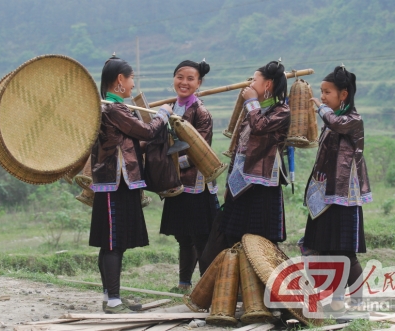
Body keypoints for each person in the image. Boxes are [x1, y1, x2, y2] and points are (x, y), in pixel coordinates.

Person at [89, 55, 173, 314]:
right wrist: (163, 114)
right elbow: (147, 132)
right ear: (119, 81)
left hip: (114, 182)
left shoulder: (111, 109)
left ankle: (110, 296)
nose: (133, 84)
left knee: (111, 241)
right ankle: (113, 300)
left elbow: (133, 141)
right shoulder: (114, 109)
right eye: (131, 77)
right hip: (118, 181)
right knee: (114, 242)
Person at [302, 65, 372, 315]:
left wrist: (320, 109)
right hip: (325, 193)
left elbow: (335, 122)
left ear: (343, 95)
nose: (322, 97)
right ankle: (336, 299)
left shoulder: (351, 120)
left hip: (345, 195)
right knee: (327, 248)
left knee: (344, 251)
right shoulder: (332, 119)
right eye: (321, 92)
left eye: (327, 92)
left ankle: (356, 299)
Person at [159, 59, 220, 292]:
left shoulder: (201, 112)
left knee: (201, 237)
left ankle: (207, 287)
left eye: (190, 79)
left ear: (198, 83)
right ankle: (184, 284)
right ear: (174, 79)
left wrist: (172, 163)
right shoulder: (170, 108)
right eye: (180, 77)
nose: (184, 82)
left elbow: (199, 151)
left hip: (197, 184)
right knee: (183, 237)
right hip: (177, 183)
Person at [219, 60, 290, 247]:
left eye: (254, 80)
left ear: (267, 84)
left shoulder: (281, 111)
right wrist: (228, 183)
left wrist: (251, 100)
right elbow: (239, 148)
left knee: (260, 240)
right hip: (239, 182)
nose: (250, 84)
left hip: (262, 185)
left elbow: (260, 126)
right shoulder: (252, 109)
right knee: (233, 236)